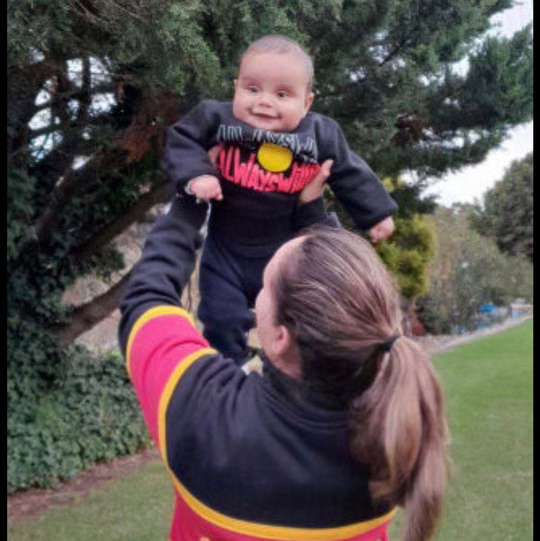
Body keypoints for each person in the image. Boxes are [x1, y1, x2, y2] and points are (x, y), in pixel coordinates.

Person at [119, 184, 449, 541]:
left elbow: (147, 298)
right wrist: (311, 211)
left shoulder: (204, 413)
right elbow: (349, 300)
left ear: (280, 337)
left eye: (264, 286)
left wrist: (192, 196)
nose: (257, 295)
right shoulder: (390, 437)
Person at [163, 35, 398, 364]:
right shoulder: (216, 119)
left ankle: (288, 382)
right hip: (225, 252)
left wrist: (375, 213)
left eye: (282, 94)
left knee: (294, 326)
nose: (264, 102)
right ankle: (228, 376)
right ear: (236, 88)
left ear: (307, 103)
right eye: (252, 89)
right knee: (221, 320)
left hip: (282, 254)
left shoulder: (319, 134)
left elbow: (348, 169)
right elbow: (181, 137)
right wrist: (198, 175)